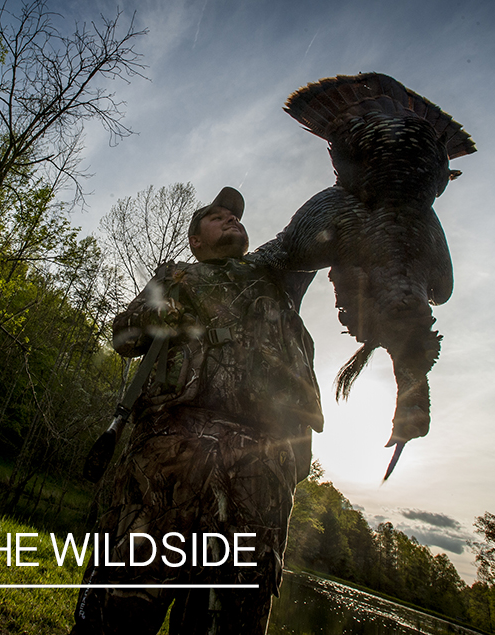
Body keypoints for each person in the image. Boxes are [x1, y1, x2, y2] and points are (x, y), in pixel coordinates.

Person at [70, 186, 324, 634]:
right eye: (216, 216)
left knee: (229, 620)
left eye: (235, 216)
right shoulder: (176, 276)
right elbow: (123, 339)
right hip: (167, 460)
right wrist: (163, 310)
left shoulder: (278, 274)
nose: (230, 218)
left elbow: (331, 229)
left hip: (262, 472)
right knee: (120, 607)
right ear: (196, 241)